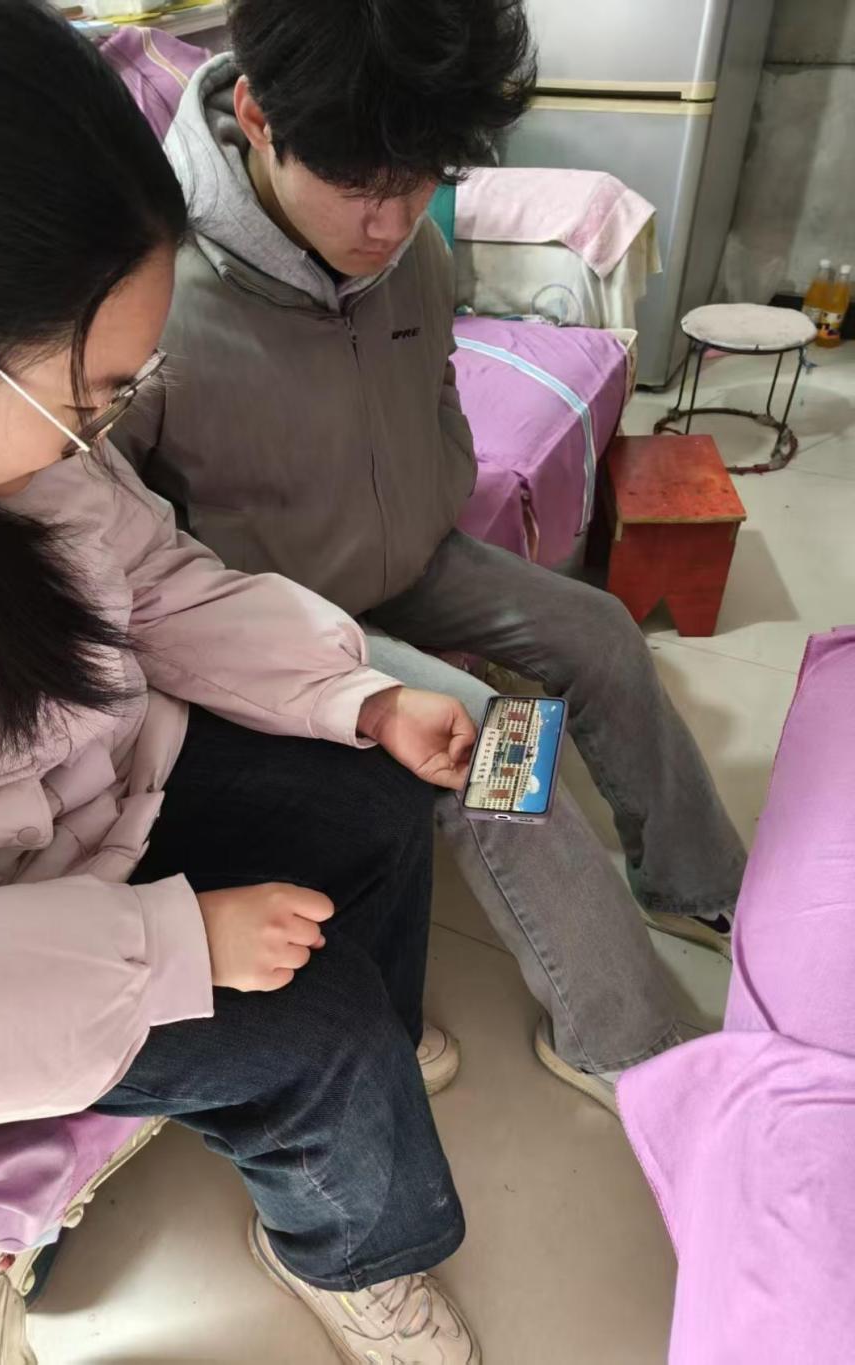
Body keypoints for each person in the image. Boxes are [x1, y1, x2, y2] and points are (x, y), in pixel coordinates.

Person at [0, 4, 483, 1362]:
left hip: (88, 798)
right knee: (315, 1029)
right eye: (89, 397)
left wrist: (359, 698)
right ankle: (351, 1246)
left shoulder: (17, 445)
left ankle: (358, 1057)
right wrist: (177, 946)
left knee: (376, 798)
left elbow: (167, 586)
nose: (97, 436)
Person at [130, 0, 749, 1107]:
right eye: (361, 186)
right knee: (499, 745)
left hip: (413, 557)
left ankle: (693, 879)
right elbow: (117, 548)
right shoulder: (152, 289)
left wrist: (431, 490)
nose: (392, 222)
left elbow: (438, 394)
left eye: (422, 182)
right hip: (277, 620)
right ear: (259, 116)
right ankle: (627, 1042)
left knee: (601, 629)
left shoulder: (412, 247)